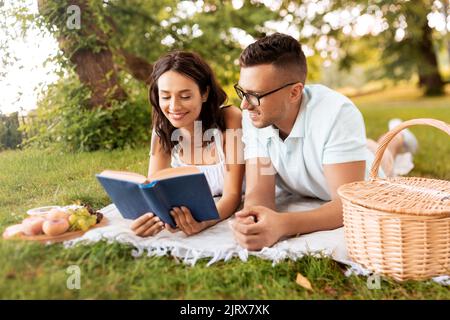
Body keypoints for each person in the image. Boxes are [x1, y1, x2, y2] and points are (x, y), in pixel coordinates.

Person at [230, 33, 418, 251]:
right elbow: (259, 192)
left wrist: (283, 224)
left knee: (382, 156)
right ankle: (366, 143)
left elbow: (348, 204)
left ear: (294, 92)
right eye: (242, 92)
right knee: (363, 146)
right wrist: (251, 220)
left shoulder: (337, 112)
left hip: (360, 174)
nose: (244, 105)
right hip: (313, 170)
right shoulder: (255, 115)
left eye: (255, 95)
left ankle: (398, 137)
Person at [131, 51, 244, 237]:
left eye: (185, 96)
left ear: (204, 93)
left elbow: (232, 197)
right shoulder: (162, 130)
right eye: (166, 97)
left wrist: (204, 223)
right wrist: (150, 219)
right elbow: (154, 191)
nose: (174, 107)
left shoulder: (230, 118)